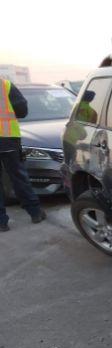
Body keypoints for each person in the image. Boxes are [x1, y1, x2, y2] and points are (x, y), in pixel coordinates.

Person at [0, 77, 46, 232]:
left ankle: (1, 223)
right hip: (7, 139)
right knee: (18, 177)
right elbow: (22, 110)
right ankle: (35, 213)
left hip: (7, 139)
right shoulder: (4, 84)